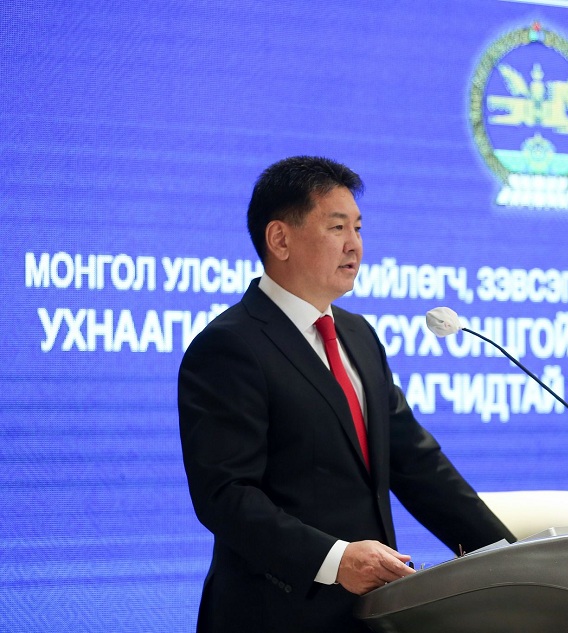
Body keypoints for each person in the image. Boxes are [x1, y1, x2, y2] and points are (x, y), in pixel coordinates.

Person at [178, 155, 515, 633]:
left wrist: (513, 557)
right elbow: (225, 496)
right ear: (280, 239)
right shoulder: (230, 346)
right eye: (337, 227)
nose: (354, 244)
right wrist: (335, 559)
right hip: (272, 616)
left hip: (370, 614)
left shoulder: (358, 336)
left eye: (357, 228)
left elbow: (417, 466)